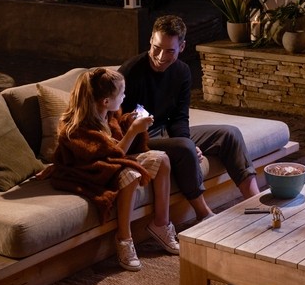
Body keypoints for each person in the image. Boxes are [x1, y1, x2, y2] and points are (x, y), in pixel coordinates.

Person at [119, 15, 260, 223]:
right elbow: (117, 122)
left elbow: (179, 117)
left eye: (169, 51)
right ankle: (204, 214)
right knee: (185, 147)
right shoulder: (130, 72)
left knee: (230, 134)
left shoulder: (182, 72)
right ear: (150, 40)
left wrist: (189, 141)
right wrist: (187, 144)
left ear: (182, 47)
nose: (160, 56)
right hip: (138, 139)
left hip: (166, 132)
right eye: (156, 47)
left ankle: (256, 203)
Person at [49, 67, 180, 271]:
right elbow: (108, 156)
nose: (125, 96)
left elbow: (116, 138)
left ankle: (161, 224)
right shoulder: (75, 129)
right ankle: (124, 239)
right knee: (131, 174)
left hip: (112, 163)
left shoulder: (108, 114)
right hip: (90, 172)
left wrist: (130, 121)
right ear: (105, 101)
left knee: (162, 159)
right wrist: (134, 131)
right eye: (122, 93)